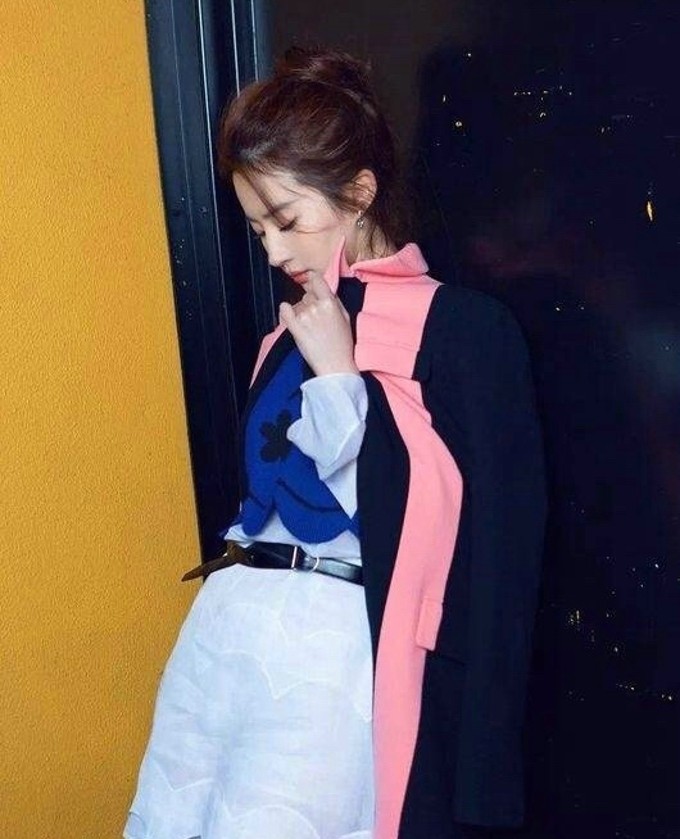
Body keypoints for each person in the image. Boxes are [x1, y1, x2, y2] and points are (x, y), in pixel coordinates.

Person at [124, 46, 547, 839]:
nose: (275, 252)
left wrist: (485, 771)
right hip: (227, 628)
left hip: (332, 649)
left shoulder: (461, 330)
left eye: (288, 220)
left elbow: (498, 554)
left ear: (359, 192)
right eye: (257, 229)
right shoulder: (284, 334)